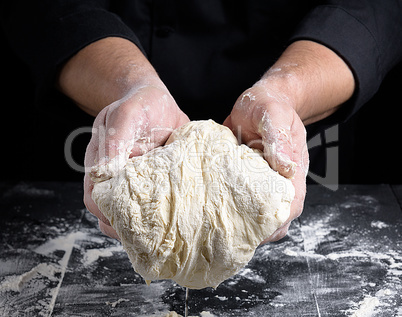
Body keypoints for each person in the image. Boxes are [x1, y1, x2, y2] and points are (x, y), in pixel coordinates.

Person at [2, 1, 402, 242]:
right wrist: (129, 86)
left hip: (283, 134)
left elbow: (378, 7)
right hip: (100, 117)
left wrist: (286, 91)